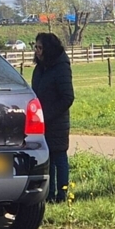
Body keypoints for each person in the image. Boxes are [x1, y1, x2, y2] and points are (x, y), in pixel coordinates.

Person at [31, 32, 74, 204]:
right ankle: (49, 194)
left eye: (40, 47)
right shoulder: (39, 69)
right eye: (35, 47)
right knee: (47, 159)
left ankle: (62, 195)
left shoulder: (61, 67)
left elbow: (67, 97)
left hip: (57, 122)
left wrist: (49, 115)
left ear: (48, 49)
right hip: (41, 121)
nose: (37, 51)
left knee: (59, 158)